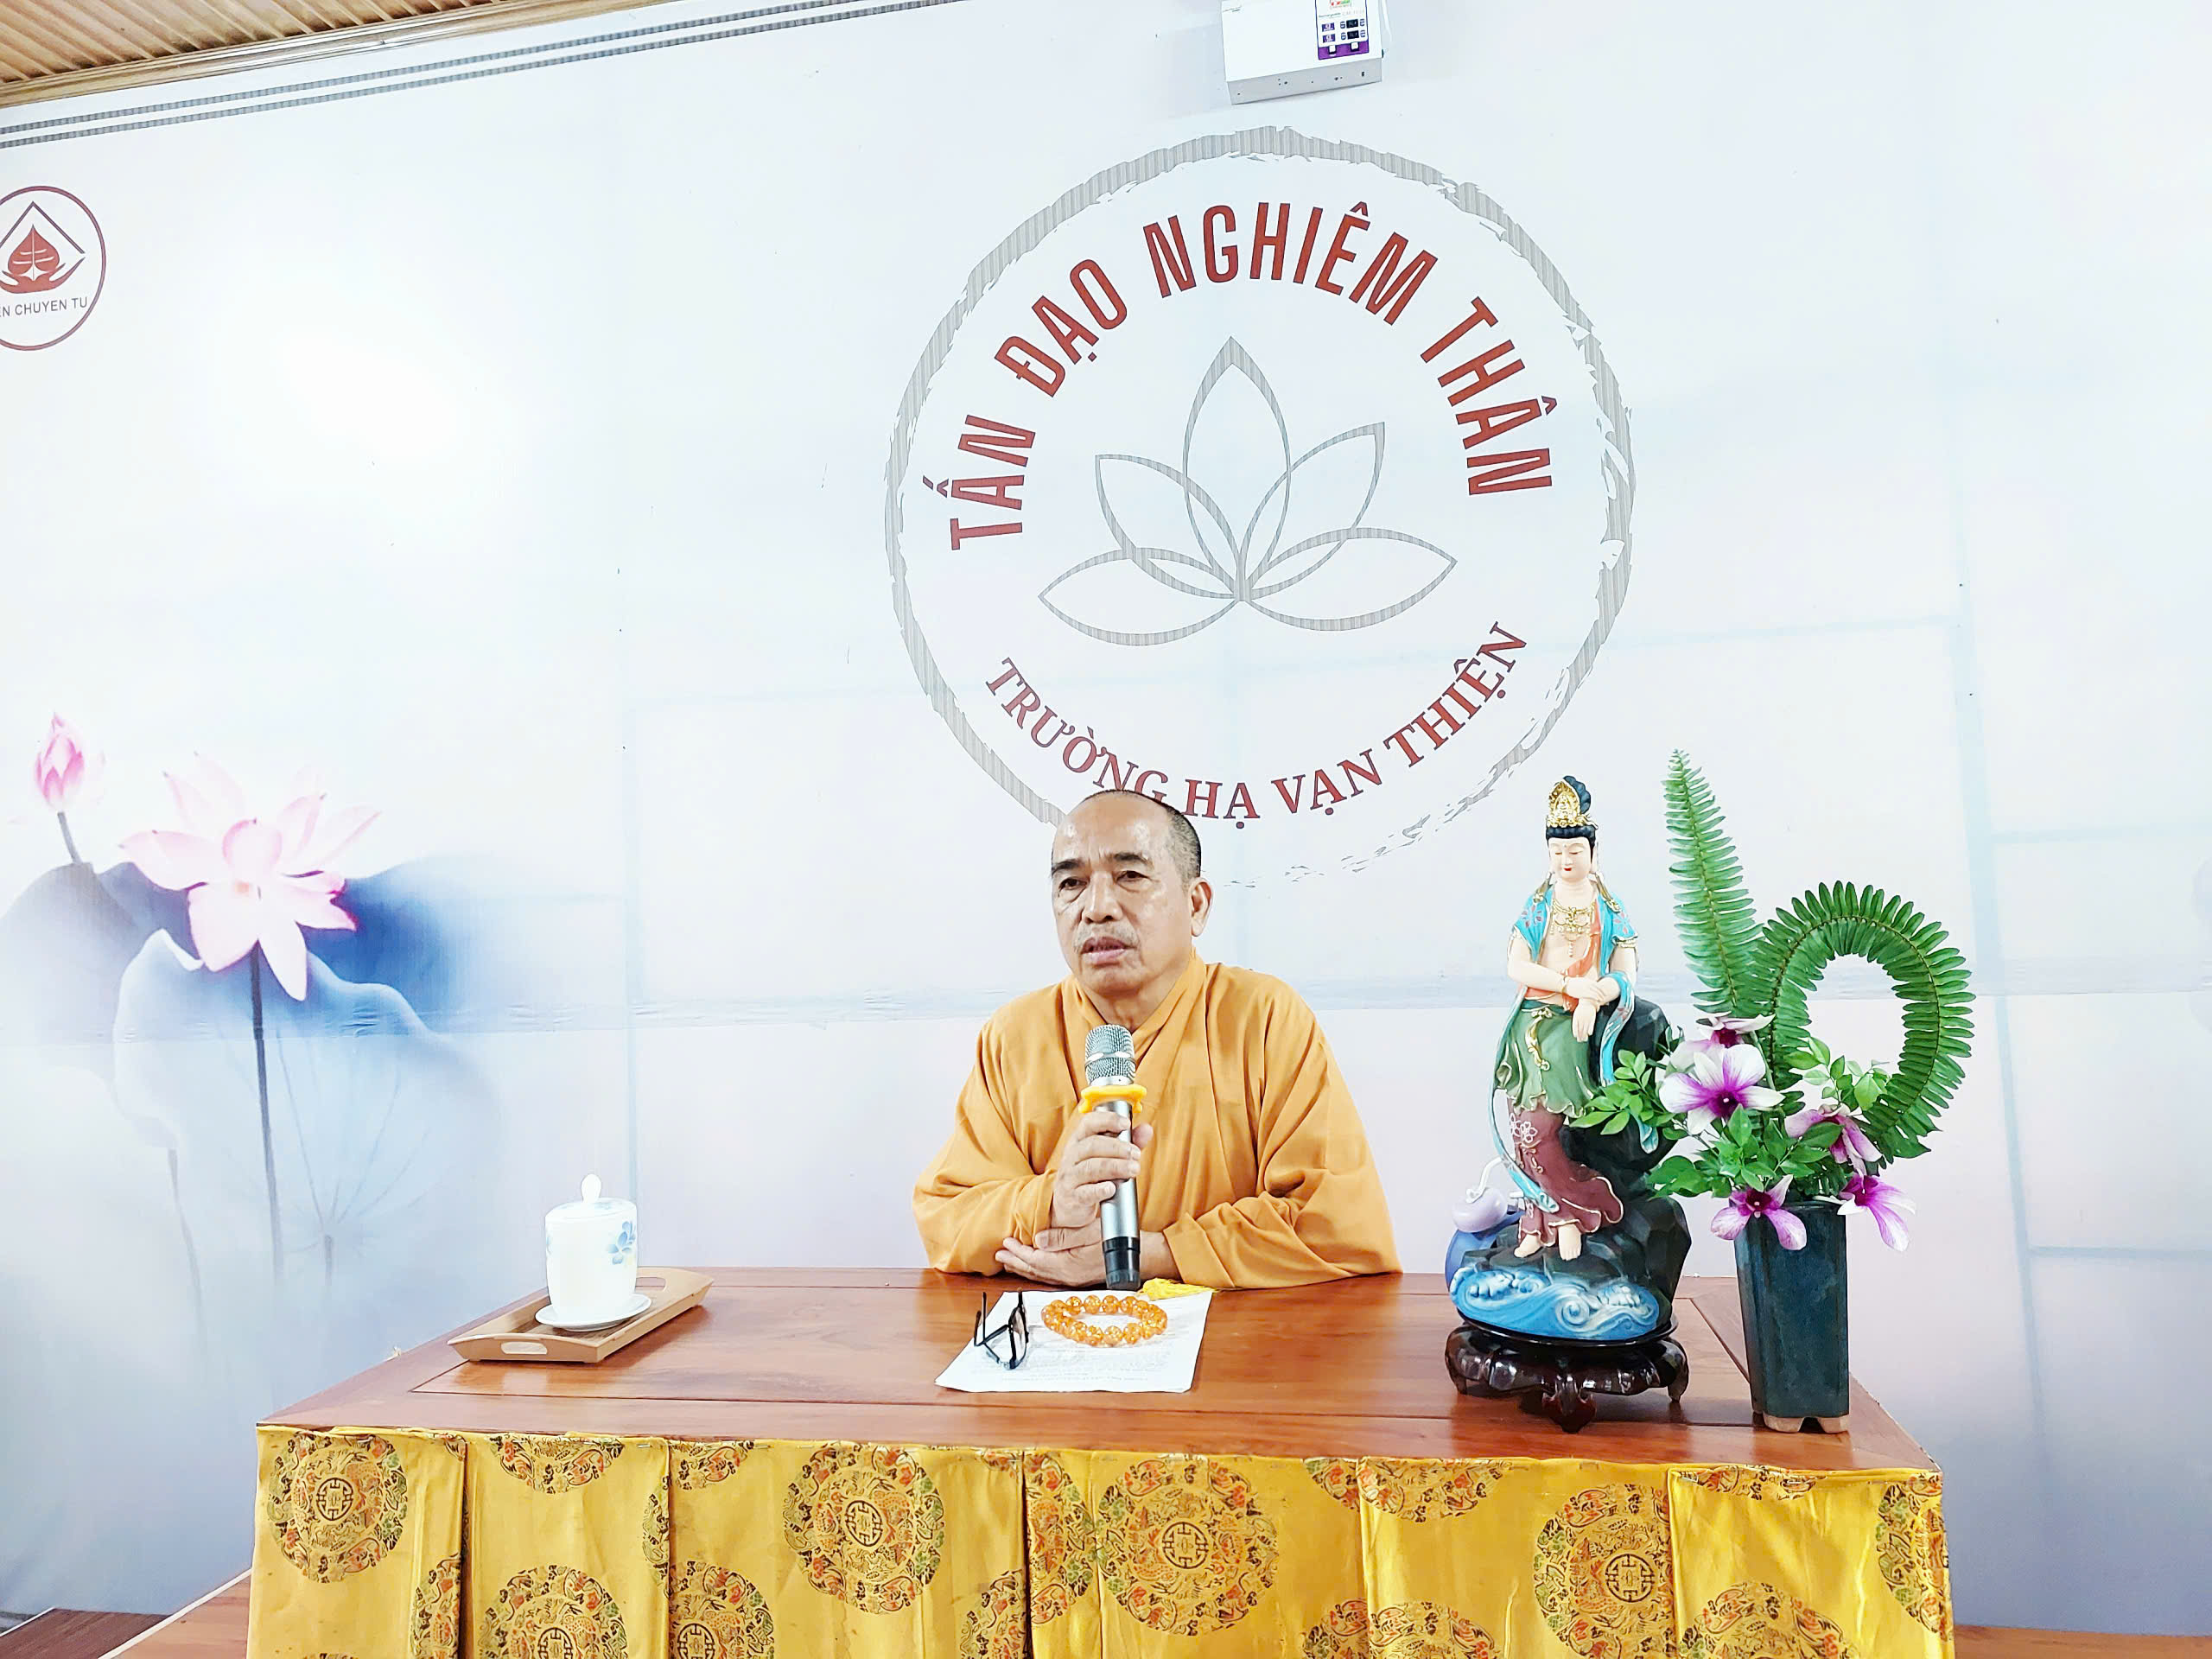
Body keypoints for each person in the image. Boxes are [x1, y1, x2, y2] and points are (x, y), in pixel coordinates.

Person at [912, 790, 1399, 1289]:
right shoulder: (1016, 1036)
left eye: (1130, 876)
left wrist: (1149, 1253)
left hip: (1232, 1329)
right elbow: (949, 1215)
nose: (1097, 908)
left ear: (1196, 905)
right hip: (1058, 1329)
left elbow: (1335, 1223)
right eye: (1072, 883)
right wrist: (1053, 1202)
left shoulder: (1262, 1018)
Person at [1491, 777, 1639, 1262]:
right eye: (1557, 852)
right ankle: (1545, 1220)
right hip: (1530, 1022)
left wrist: (1595, 996)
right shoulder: (1540, 904)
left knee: (1540, 1131)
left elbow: (1625, 973)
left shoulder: (1607, 908)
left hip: (1570, 1026)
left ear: (1593, 851)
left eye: (1575, 850)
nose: (1565, 860)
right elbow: (1516, 965)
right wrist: (1568, 985)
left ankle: (1572, 1209)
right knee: (1521, 1133)